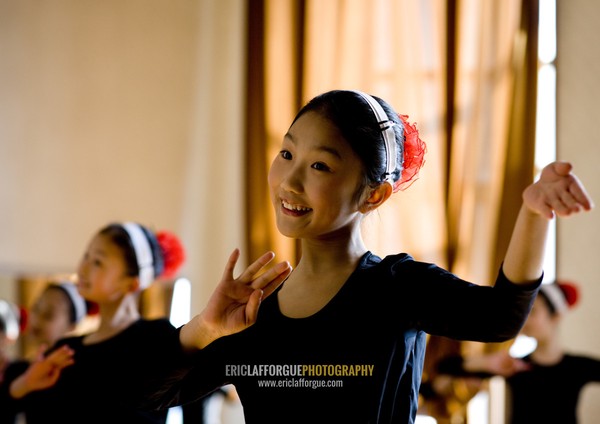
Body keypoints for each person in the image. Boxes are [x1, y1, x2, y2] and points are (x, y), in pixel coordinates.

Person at [138, 89, 595, 423]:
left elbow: (498, 318)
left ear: (373, 195)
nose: (289, 181)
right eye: (286, 152)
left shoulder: (397, 287)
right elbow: (143, 397)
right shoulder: (253, 311)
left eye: (319, 165)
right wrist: (203, 329)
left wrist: (534, 213)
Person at [0, 222, 290, 424]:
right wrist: (23, 386)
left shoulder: (154, 338)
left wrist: (206, 326)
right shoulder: (65, 351)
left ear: (132, 282)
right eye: (86, 256)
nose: (83, 267)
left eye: (98, 261)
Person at [433, 280, 600, 423]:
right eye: (525, 312)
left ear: (556, 316)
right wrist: (486, 362)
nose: (525, 319)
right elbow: (445, 366)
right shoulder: (512, 365)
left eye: (533, 312)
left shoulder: (577, 367)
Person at [0, 281, 90, 424]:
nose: (37, 319)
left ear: (71, 326)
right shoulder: (17, 369)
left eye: (48, 315)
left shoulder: (73, 370)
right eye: (36, 308)